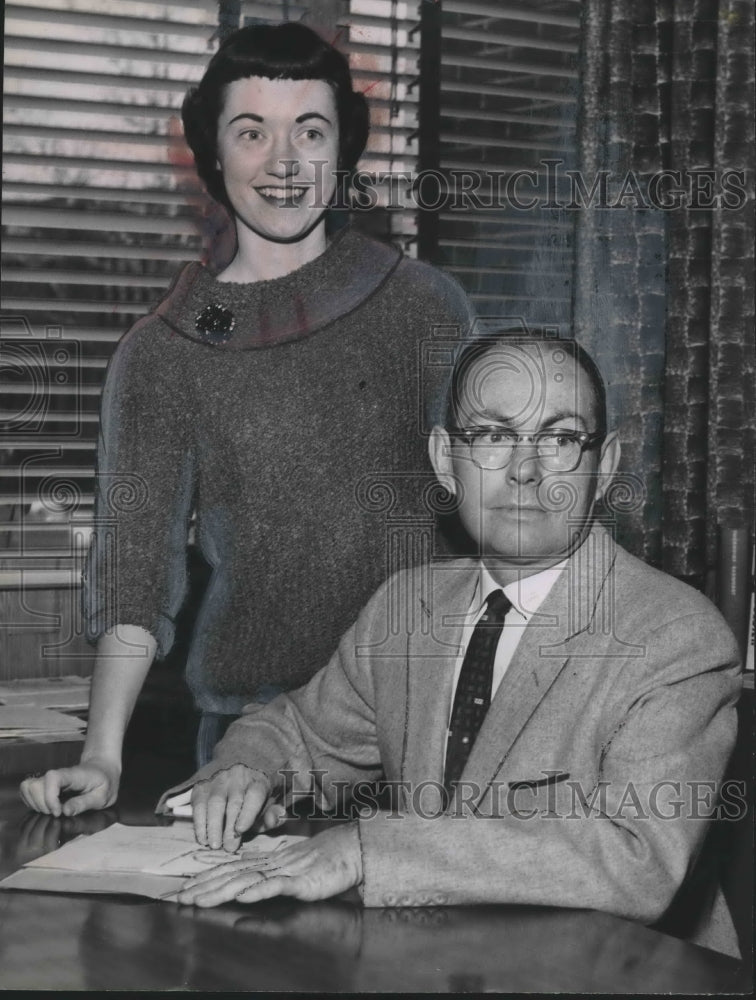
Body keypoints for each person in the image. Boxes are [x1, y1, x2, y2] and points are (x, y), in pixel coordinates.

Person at [161, 334, 741, 957]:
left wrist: (367, 851)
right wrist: (247, 769)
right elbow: (301, 731)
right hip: (427, 962)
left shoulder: (676, 636)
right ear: (444, 459)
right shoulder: (408, 606)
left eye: (561, 438)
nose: (525, 470)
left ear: (603, 467)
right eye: (492, 435)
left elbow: (638, 860)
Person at [19, 22, 474, 817]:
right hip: (249, 750)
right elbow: (132, 577)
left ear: (342, 149)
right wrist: (102, 757)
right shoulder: (161, 353)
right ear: (214, 154)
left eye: (310, 130)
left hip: (422, 737)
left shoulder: (424, 307)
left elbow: (496, 516)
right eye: (251, 132)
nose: (285, 162)